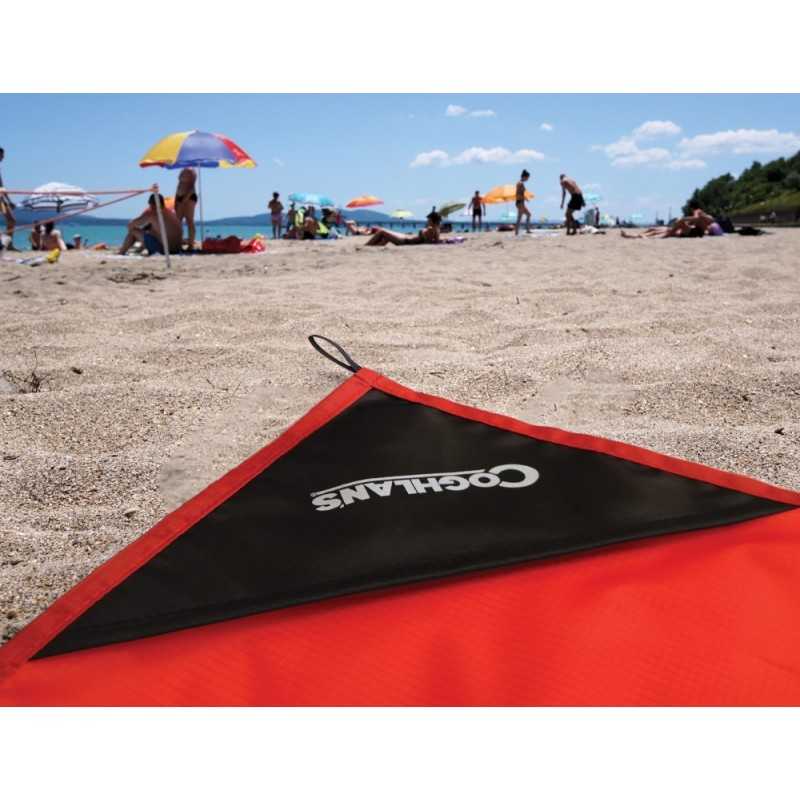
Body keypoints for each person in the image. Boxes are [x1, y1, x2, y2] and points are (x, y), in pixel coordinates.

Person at [366, 218, 440, 246]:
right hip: (405, 239)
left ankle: (366, 246)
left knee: (381, 231)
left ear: (432, 221)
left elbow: (427, 241)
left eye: (429, 220)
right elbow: (435, 241)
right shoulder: (436, 230)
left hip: (404, 241)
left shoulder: (430, 229)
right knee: (386, 238)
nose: (427, 221)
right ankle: (373, 247)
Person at [173, 167, 198, 250]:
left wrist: (184, 200)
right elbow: (177, 190)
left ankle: (191, 244)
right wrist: (176, 202)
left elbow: (191, 190)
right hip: (180, 197)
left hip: (189, 197)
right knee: (178, 222)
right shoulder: (181, 179)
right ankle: (179, 243)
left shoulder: (191, 173)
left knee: (189, 220)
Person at [0, 147, 18, 250]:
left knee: (11, 221)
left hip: (1, 197)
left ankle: (8, 244)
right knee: (11, 221)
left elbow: (1, 186)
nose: (3, 157)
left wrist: (9, 201)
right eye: (2, 155)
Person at [515, 170, 532, 235]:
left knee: (528, 214)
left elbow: (519, 193)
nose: (528, 179)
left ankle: (527, 230)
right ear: (524, 177)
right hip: (520, 202)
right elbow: (519, 194)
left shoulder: (519, 183)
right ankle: (516, 232)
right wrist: (524, 198)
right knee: (519, 217)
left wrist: (526, 198)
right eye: (527, 178)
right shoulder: (520, 183)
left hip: (519, 202)